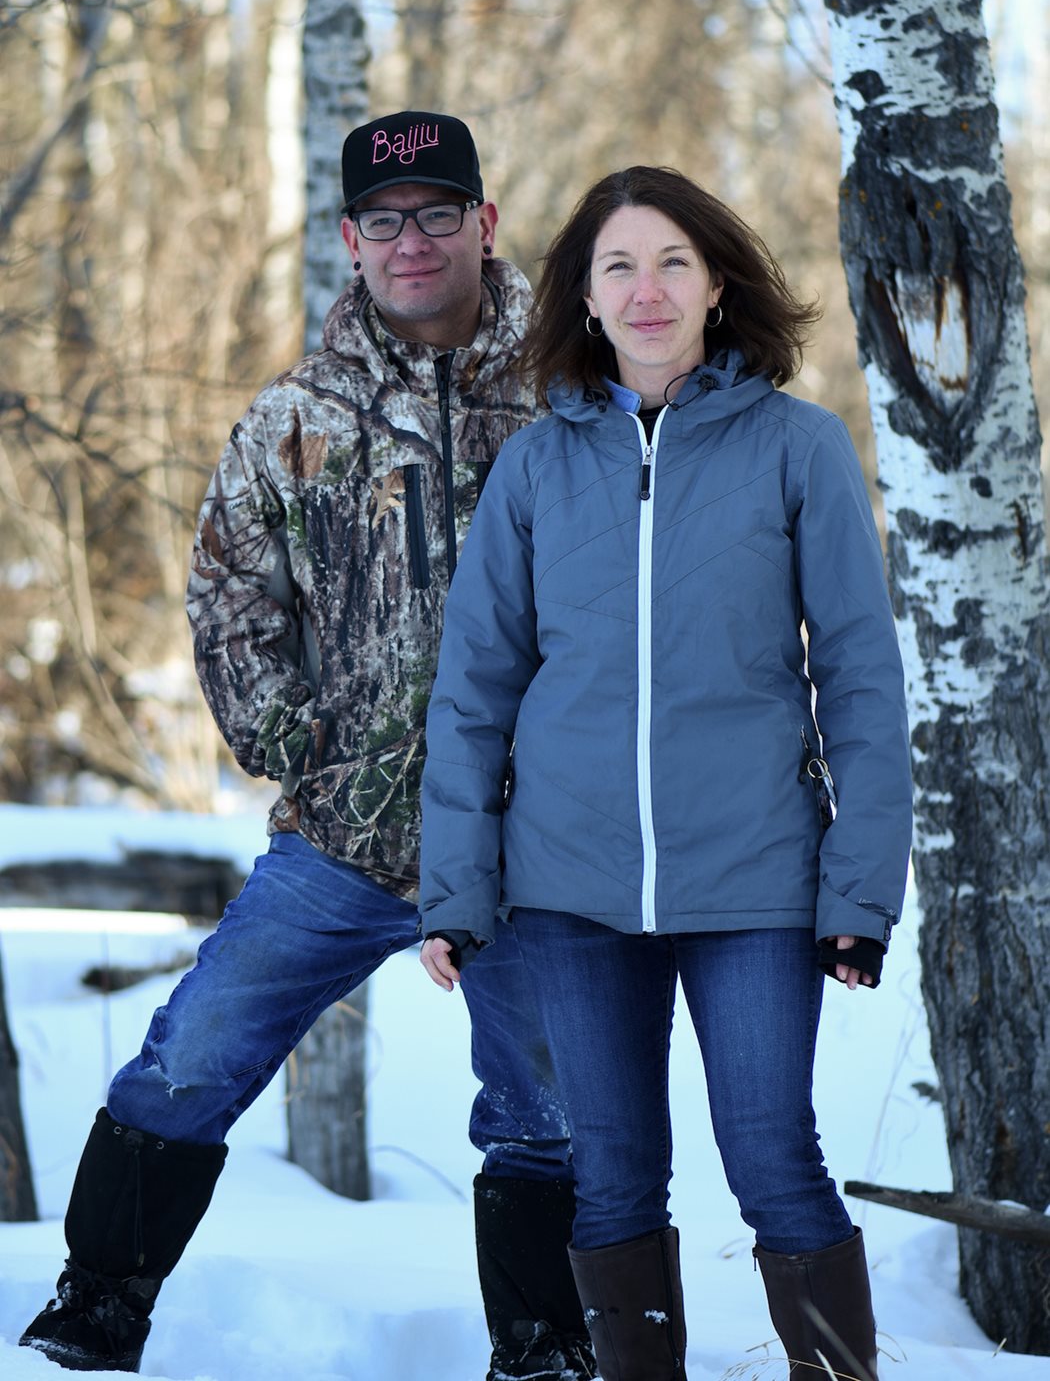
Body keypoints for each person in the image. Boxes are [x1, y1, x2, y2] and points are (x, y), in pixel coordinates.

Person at [19, 110, 595, 1381]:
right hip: (349, 832)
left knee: (545, 1103)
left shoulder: (571, 394)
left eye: (439, 213)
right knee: (196, 1049)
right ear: (349, 239)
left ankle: (545, 1342)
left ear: (485, 225)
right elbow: (228, 592)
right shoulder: (298, 413)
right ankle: (98, 1302)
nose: (413, 240)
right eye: (385, 220)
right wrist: (302, 741)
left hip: (530, 838)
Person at [418, 165, 913, 1381]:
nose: (647, 291)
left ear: (716, 284)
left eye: (673, 263)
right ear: (583, 297)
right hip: (570, 890)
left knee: (769, 1150)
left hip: (753, 880)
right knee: (615, 1165)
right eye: (618, 267)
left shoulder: (798, 449)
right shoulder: (536, 471)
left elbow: (859, 679)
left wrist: (859, 890)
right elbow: (475, 691)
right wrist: (456, 887)